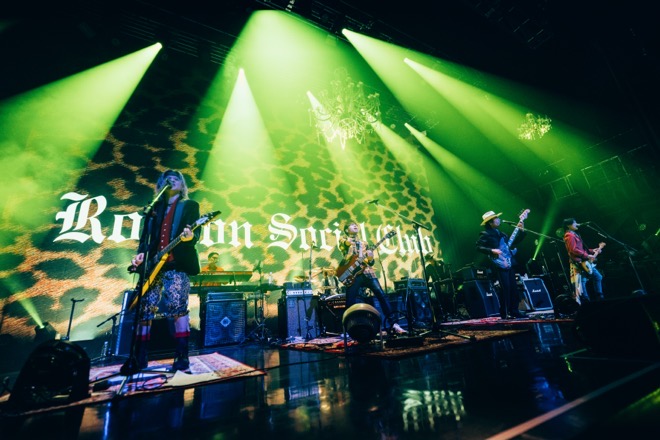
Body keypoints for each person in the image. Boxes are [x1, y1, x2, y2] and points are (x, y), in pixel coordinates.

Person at [124, 169, 201, 373]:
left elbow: (196, 233)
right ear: (161, 185)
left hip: (176, 264)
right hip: (152, 266)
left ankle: (182, 356)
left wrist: (190, 237)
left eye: (176, 179)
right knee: (144, 309)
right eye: (168, 179)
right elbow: (145, 239)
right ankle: (139, 356)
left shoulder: (189, 205)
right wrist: (141, 255)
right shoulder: (154, 208)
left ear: (182, 185)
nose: (171, 181)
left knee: (178, 307)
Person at [338, 222, 406, 335]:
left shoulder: (364, 243)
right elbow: (344, 245)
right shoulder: (343, 240)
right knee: (350, 300)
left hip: (368, 273)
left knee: (382, 296)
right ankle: (348, 329)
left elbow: (371, 262)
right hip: (353, 275)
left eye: (356, 225)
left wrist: (370, 258)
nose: (355, 226)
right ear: (346, 230)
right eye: (352, 225)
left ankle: (394, 324)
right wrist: (349, 242)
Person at [476, 210, 527, 319]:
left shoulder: (501, 233)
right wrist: (492, 250)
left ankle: (515, 310)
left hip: (509, 262)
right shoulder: (485, 234)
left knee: (513, 288)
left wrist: (521, 231)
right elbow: (478, 247)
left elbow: (513, 242)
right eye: (496, 218)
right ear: (490, 222)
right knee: (505, 289)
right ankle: (505, 312)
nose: (499, 220)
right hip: (499, 264)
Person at [563, 218, 605, 303]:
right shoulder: (569, 235)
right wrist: (587, 255)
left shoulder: (574, 234)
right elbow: (573, 250)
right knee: (582, 282)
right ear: (568, 225)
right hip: (578, 262)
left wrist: (592, 250)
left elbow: (581, 249)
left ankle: (600, 297)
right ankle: (586, 301)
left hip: (584, 261)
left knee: (598, 277)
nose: (577, 224)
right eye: (574, 223)